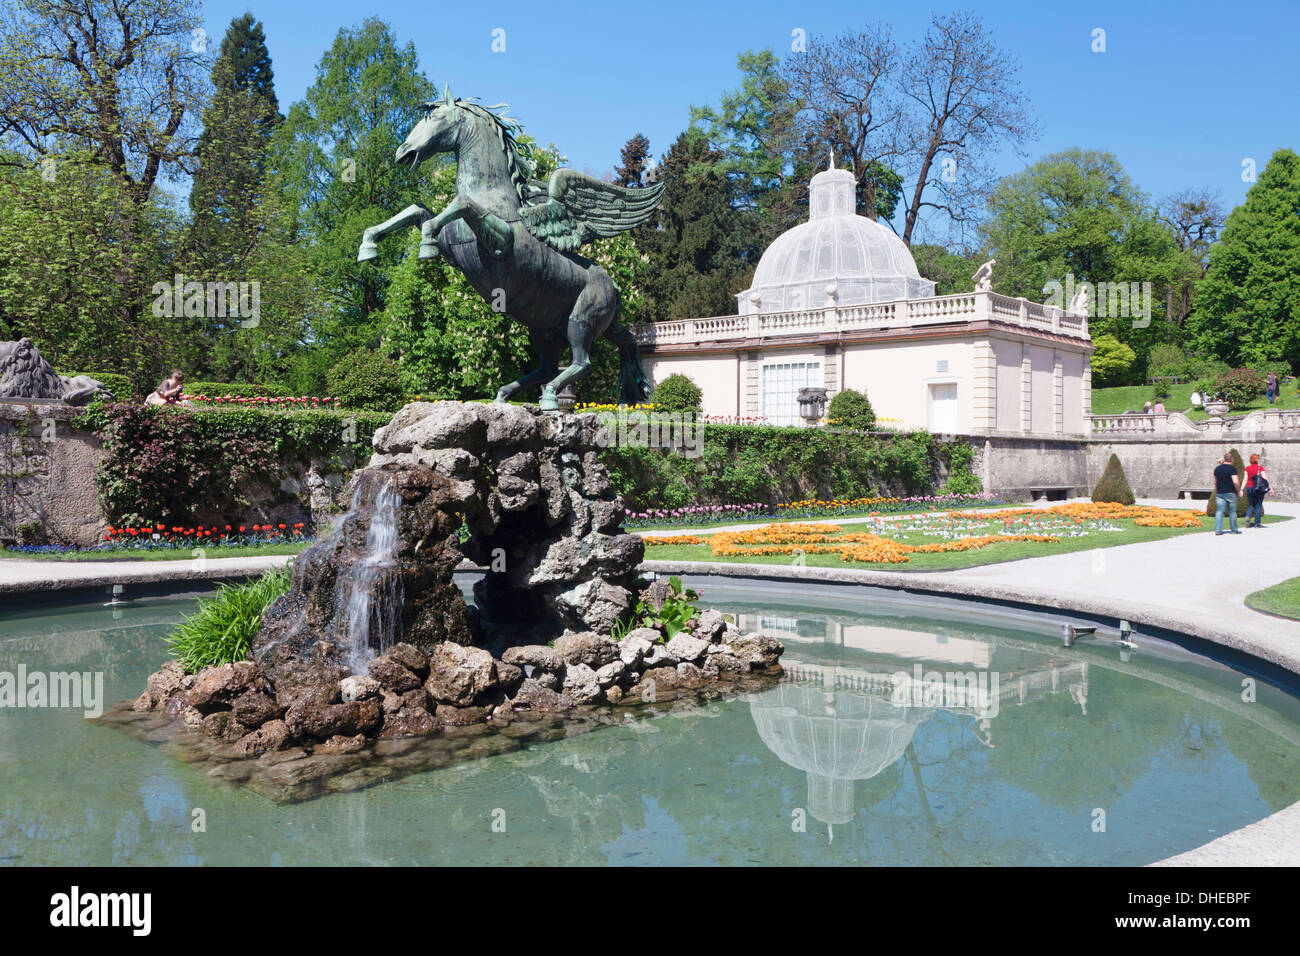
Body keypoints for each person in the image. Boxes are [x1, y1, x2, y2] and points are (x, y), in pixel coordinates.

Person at [1213, 452, 1242, 535]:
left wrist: (1219, 487)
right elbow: (1235, 481)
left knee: (1219, 511)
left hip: (1220, 493)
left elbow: (1215, 481)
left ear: (1224, 459)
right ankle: (1234, 530)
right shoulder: (1232, 469)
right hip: (1231, 493)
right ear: (1232, 460)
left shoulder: (1217, 469)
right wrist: (1238, 491)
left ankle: (1218, 530)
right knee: (1232, 512)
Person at [1245, 453, 1269, 528]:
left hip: (1249, 488)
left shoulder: (1247, 468)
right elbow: (1265, 479)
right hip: (1258, 489)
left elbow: (1245, 479)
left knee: (1252, 504)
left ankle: (1248, 516)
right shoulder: (1260, 468)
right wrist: (1270, 487)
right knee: (1258, 505)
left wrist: (1241, 489)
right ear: (1256, 460)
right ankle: (1257, 523)